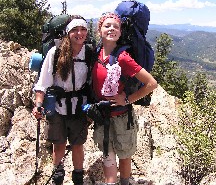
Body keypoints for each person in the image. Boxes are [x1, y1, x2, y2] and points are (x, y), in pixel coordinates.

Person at [91, 12, 158, 185]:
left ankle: (125, 182)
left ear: (120, 32)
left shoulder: (123, 58)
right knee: (108, 154)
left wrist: (127, 99)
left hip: (121, 116)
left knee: (125, 155)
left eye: (116, 26)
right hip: (102, 115)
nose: (112, 28)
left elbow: (151, 83)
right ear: (99, 31)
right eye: (107, 25)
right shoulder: (95, 54)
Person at [32, 15, 91, 185]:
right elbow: (42, 83)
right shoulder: (55, 52)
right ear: (67, 32)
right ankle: (57, 179)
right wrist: (38, 105)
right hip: (57, 107)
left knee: (77, 145)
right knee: (58, 145)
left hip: (79, 107)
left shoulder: (89, 52)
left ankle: (78, 179)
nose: (79, 33)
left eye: (83, 29)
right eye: (74, 29)